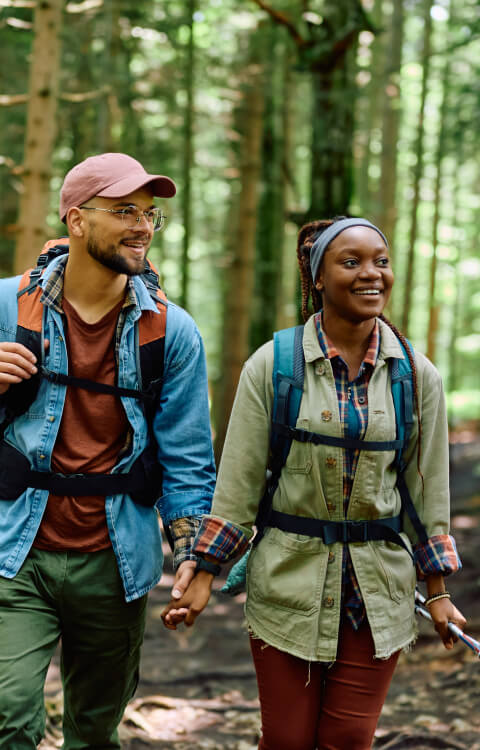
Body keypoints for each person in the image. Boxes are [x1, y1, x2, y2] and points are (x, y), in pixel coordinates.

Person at [162, 217, 466, 750]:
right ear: (318, 277)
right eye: (351, 262)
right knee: (286, 740)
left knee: (349, 739)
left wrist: (437, 591)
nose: (372, 274)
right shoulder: (274, 367)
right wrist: (205, 575)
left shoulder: (416, 378)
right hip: (288, 584)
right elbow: (238, 486)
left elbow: (426, 493)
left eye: (381, 261)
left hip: (379, 592)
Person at [0, 152, 216, 749]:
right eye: (124, 211)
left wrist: (194, 557)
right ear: (76, 219)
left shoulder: (171, 332)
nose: (143, 225)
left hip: (116, 560)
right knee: (8, 716)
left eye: (150, 214)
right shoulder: (4, 307)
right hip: (16, 552)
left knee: (95, 732)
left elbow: (189, 461)